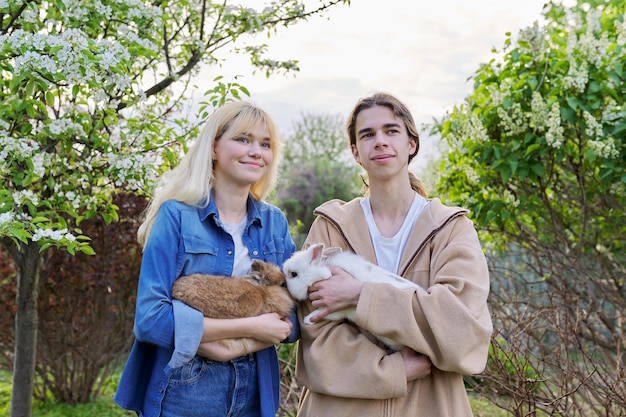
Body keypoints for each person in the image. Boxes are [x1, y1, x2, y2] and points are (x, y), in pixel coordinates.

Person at [294, 92, 493, 416]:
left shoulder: (451, 228)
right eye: (368, 134)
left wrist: (361, 296)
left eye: (391, 131)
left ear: (411, 143)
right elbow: (317, 338)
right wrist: (394, 369)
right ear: (356, 151)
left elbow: (462, 331)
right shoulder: (330, 228)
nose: (380, 141)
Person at [114, 100, 298, 417]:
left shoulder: (274, 223)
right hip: (187, 390)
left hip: (256, 393)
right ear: (214, 148)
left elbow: (293, 320)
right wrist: (254, 326)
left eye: (265, 144)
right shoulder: (176, 216)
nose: (256, 151)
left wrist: (224, 344)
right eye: (243, 139)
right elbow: (150, 320)